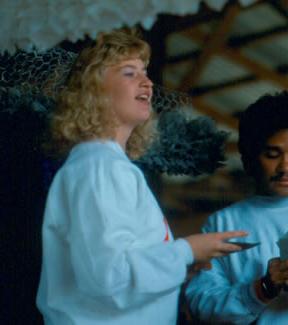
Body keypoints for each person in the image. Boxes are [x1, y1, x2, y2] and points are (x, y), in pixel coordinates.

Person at [36, 29, 246, 325]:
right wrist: (187, 250)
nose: (147, 82)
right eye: (129, 72)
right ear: (94, 91)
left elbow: (114, 272)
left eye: (145, 72)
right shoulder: (100, 168)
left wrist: (175, 271)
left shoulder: (105, 164)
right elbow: (110, 280)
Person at [185, 91, 288, 324]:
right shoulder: (223, 225)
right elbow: (201, 305)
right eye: (272, 154)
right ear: (250, 158)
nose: (286, 166)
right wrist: (261, 289)